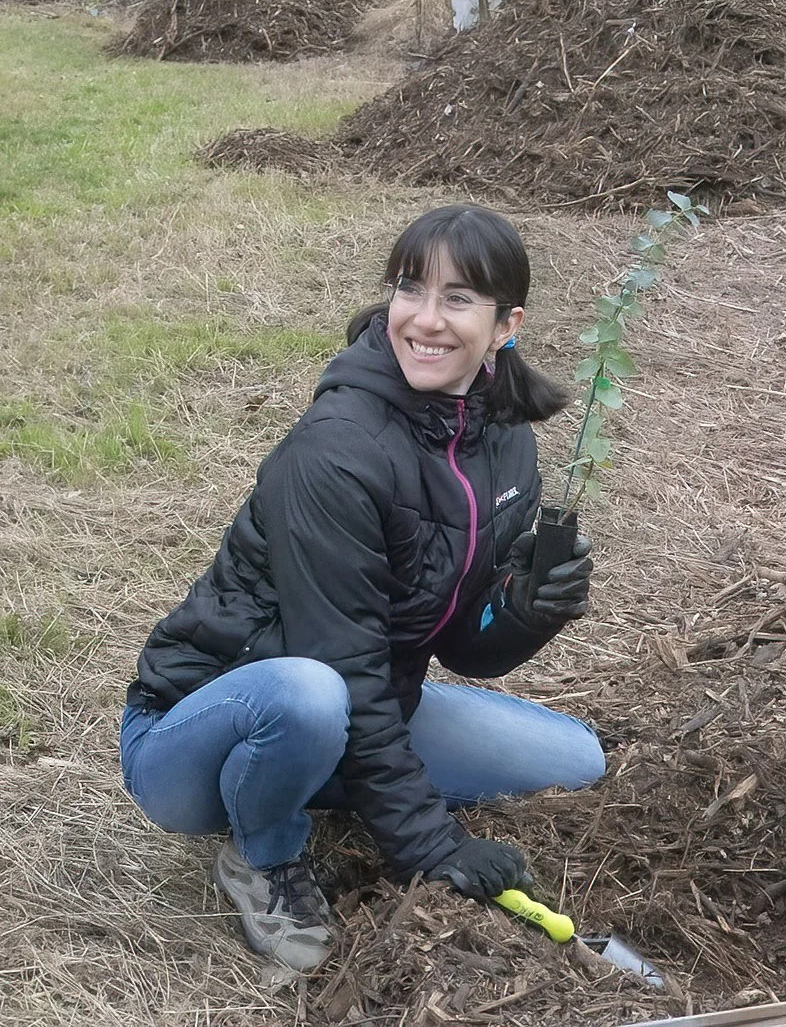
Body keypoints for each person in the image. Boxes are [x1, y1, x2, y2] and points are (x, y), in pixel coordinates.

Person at [120, 203, 605, 972]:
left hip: (360, 707)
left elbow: (463, 647)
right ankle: (264, 855)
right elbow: (342, 665)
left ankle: (309, 778)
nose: (425, 319)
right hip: (198, 738)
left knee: (576, 758)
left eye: (458, 298)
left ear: (505, 325)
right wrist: (433, 845)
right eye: (412, 289)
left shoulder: (503, 441)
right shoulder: (334, 453)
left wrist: (526, 610)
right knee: (308, 697)